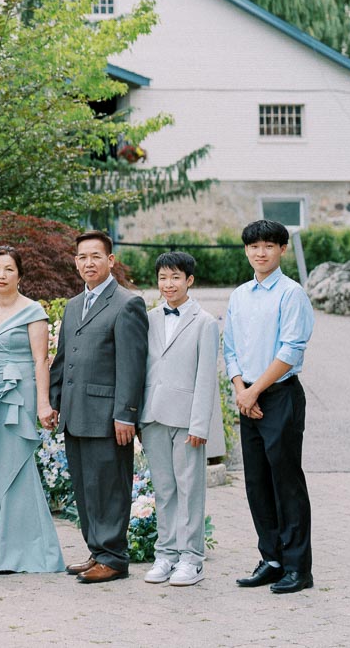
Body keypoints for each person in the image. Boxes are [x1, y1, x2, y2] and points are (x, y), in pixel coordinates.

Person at [49, 230, 148, 584]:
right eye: (82, 257)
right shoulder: (75, 304)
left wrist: (126, 413)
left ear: (111, 260)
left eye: (95, 256)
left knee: (109, 485)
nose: (88, 263)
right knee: (86, 487)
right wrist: (54, 403)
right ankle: (97, 551)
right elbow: (62, 359)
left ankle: (114, 558)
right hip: (76, 414)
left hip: (108, 416)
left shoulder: (127, 303)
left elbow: (131, 365)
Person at [224, 220, 316, 595]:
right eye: (253, 246)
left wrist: (254, 391)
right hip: (249, 396)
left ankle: (298, 568)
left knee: (286, 482)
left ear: (281, 250)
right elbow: (229, 348)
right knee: (257, 482)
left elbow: (291, 349)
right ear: (246, 251)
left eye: (268, 246)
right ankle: (272, 560)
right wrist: (240, 389)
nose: (260, 253)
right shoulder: (239, 295)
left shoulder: (292, 294)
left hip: (279, 395)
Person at [0, 246, 65, 575]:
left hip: (20, 396)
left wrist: (43, 403)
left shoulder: (33, 311)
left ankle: (23, 552)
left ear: (19, 275)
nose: (2, 275)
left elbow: (41, 360)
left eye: (9, 269)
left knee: (19, 470)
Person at [139, 251, 220, 588]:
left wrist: (200, 425)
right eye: (162, 278)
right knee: (164, 489)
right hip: (154, 414)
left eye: (175, 278)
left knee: (190, 490)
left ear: (189, 280)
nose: (168, 284)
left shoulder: (205, 322)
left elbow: (206, 377)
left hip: (187, 420)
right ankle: (166, 554)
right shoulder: (149, 318)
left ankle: (192, 559)